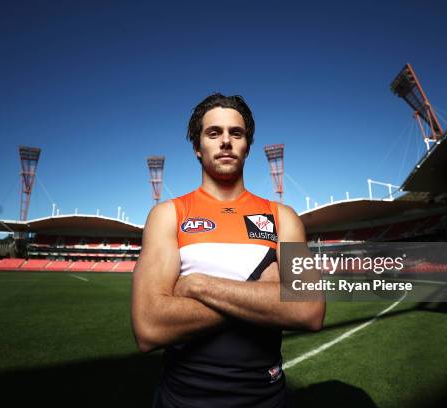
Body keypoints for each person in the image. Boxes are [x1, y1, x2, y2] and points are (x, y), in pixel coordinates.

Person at [131, 93, 325, 407]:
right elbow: (149, 328)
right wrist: (264, 294)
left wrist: (198, 285)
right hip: (183, 400)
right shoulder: (169, 215)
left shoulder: (282, 217)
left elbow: (310, 309)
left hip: (266, 399)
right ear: (198, 147)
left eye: (236, 133)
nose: (225, 141)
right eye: (213, 133)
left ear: (247, 146)